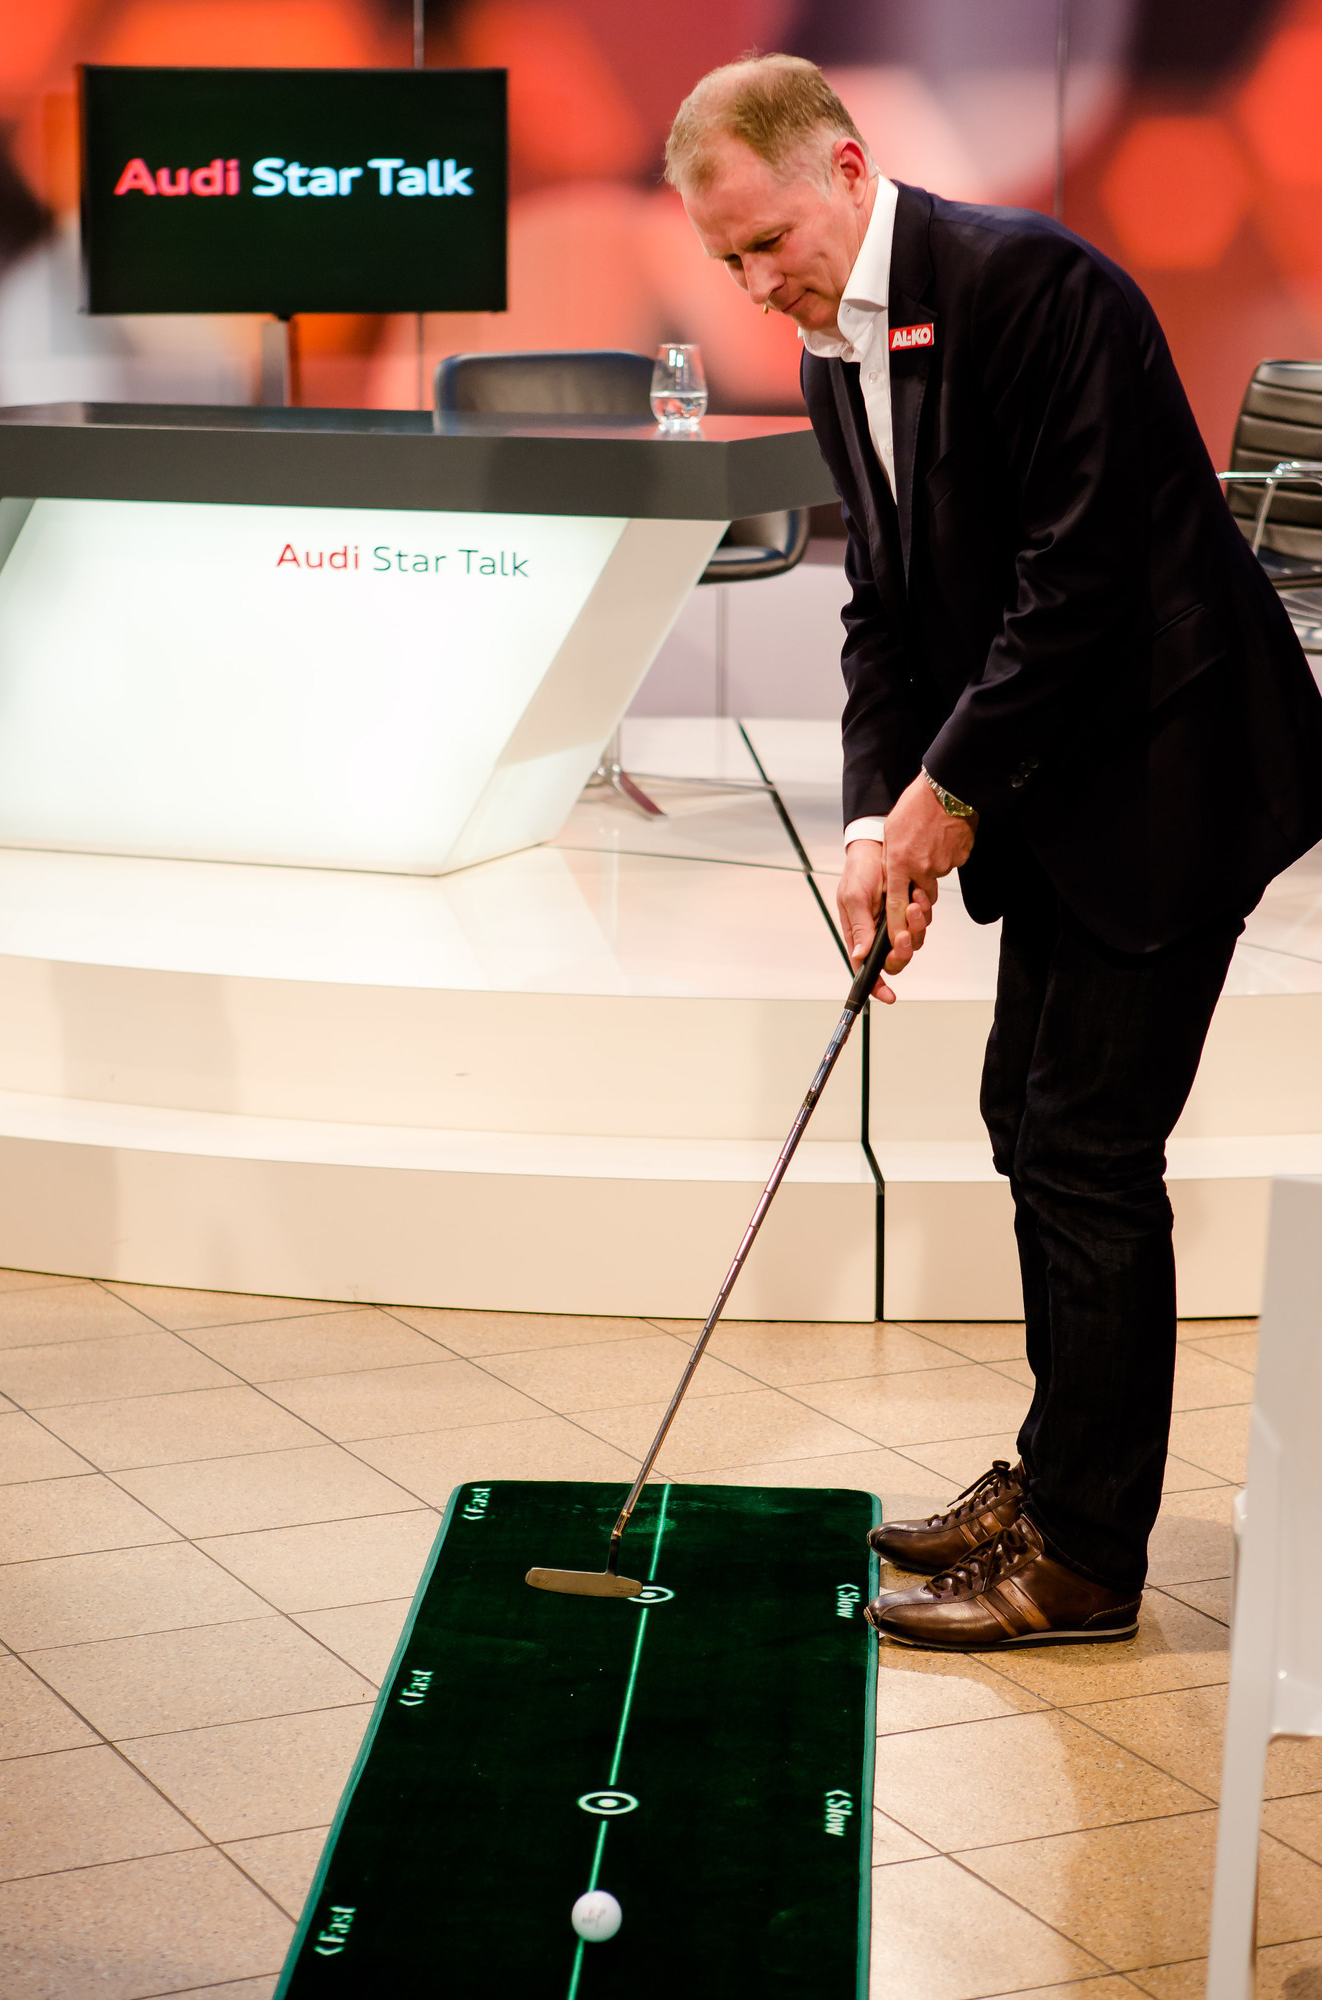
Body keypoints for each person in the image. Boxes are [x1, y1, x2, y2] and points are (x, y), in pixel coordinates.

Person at [664, 55, 1322, 1648]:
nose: (759, 285)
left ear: (841, 162)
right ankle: (1052, 1472)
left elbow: (1076, 577)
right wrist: (868, 824)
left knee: (1085, 1145)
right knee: (1021, 1116)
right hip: (1058, 778)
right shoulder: (833, 351)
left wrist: (943, 804)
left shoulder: (1033, 284)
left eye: (767, 243)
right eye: (729, 264)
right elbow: (884, 611)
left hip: (1172, 764)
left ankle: (1087, 1562)